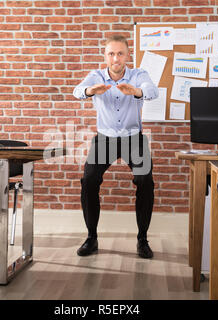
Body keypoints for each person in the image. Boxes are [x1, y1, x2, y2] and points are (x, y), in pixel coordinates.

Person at [73, 35, 159, 259]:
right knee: (89, 180)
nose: (116, 58)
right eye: (111, 53)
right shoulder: (96, 75)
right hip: (105, 138)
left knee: (145, 182)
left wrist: (136, 92)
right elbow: (77, 91)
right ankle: (91, 237)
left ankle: (142, 239)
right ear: (106, 56)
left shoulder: (138, 74)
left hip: (133, 138)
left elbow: (153, 91)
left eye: (120, 53)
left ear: (128, 55)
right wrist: (91, 91)